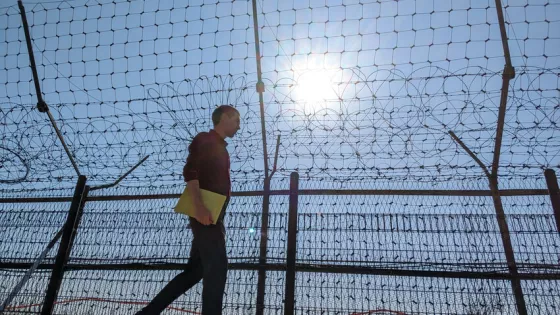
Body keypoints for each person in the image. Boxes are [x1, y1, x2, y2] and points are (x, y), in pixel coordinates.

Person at [137, 105, 240, 315]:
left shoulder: (221, 147)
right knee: (217, 267)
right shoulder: (205, 139)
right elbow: (191, 171)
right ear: (225, 117)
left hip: (213, 212)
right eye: (236, 120)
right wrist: (199, 207)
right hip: (205, 211)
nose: (239, 126)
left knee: (195, 272)